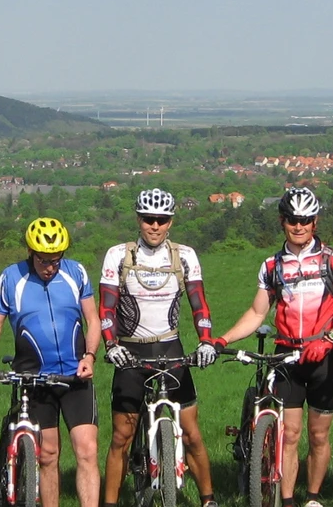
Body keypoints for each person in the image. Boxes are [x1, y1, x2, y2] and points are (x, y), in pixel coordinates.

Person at [213, 187, 333, 507]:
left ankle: (314, 498)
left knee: (318, 436)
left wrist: (331, 338)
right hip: (287, 357)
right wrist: (224, 338)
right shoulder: (272, 266)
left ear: (315, 221)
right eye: (292, 220)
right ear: (282, 221)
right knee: (289, 436)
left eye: (305, 220)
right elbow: (257, 312)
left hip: (324, 358)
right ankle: (287, 500)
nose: (299, 226)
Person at [0, 217, 102, 507]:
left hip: (76, 375)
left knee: (87, 451)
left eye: (56, 260)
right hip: (35, 377)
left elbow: (93, 319)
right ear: (30, 252)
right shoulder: (11, 277)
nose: (51, 267)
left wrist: (89, 356)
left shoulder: (76, 272)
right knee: (48, 455)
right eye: (44, 260)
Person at [99, 188, 221, 507]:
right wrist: (110, 344)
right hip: (130, 352)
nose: (154, 225)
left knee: (192, 434)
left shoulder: (184, 255)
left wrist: (206, 341)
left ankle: (208, 500)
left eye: (161, 220)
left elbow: (199, 305)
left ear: (170, 222)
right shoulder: (118, 256)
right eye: (148, 219)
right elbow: (107, 308)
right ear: (138, 220)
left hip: (171, 350)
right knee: (121, 437)